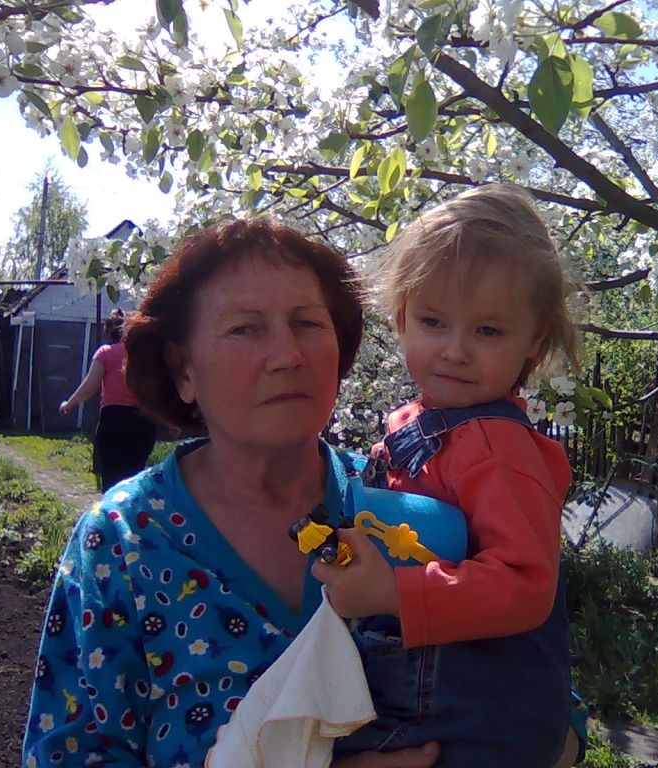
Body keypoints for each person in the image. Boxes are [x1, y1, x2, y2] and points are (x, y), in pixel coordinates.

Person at [23, 218, 440, 768]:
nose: (288, 354)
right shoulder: (123, 544)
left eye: (308, 323)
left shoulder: (406, 507)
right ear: (184, 371)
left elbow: (526, 702)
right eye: (245, 329)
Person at [314, 183, 584, 768]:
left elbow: (524, 584)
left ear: (533, 340)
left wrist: (391, 593)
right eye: (434, 321)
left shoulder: (495, 446)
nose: (456, 350)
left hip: (465, 718)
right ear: (402, 317)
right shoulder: (423, 425)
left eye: (488, 331)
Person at [59, 308, 157, 491]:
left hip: (114, 422)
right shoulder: (144, 355)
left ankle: (112, 509)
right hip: (143, 423)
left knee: (112, 480)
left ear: (109, 330)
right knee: (134, 479)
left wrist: (69, 403)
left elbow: (90, 387)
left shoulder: (105, 353)